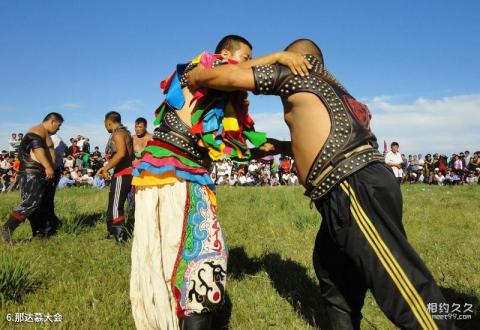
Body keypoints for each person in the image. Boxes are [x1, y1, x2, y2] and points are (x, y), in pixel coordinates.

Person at [186, 39, 454, 329]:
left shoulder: (297, 72)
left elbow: (224, 77)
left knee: (400, 282)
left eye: (283, 58)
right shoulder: (337, 89)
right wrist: (281, 146)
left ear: (296, 58)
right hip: (359, 182)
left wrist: (197, 75)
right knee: (333, 271)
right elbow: (323, 137)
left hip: (352, 187)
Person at [129, 35, 306, 330]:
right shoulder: (201, 68)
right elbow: (226, 74)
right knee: (205, 256)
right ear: (225, 53)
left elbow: (240, 147)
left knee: (170, 258)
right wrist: (277, 57)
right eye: (246, 58)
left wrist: (289, 147)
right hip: (175, 175)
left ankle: (174, 319)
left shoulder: (218, 100)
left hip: (174, 176)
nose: (250, 65)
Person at [1, 113, 63, 244]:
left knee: (40, 204)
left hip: (36, 173)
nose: (59, 128)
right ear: (53, 121)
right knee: (31, 202)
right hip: (32, 173)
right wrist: (48, 166)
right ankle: (7, 228)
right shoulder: (37, 130)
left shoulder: (43, 132)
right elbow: (38, 149)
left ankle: (41, 233)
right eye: (59, 125)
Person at [97, 111, 135, 243]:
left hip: (123, 173)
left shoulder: (118, 134)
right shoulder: (126, 133)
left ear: (108, 122)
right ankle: (112, 232)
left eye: (104, 124)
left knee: (115, 206)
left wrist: (106, 167)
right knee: (112, 203)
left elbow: (121, 154)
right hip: (124, 171)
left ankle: (120, 238)